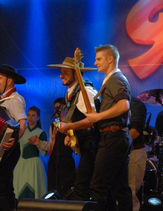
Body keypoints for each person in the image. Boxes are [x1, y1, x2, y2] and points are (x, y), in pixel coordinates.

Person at [66, 44, 132, 211]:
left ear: (110, 59)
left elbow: (124, 105)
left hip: (113, 137)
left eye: (98, 59)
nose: (95, 63)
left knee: (98, 185)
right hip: (117, 136)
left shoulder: (116, 78)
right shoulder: (111, 79)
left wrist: (98, 116)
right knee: (120, 187)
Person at [48, 57, 98, 201]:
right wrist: (72, 134)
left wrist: (70, 126)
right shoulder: (73, 92)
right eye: (61, 72)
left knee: (82, 188)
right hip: (86, 146)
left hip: (93, 146)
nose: (60, 75)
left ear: (76, 74)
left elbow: (92, 120)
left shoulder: (85, 91)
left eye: (65, 72)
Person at [0, 64, 27, 210]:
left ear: (9, 81)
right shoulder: (1, 100)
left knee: (2, 184)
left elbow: (23, 123)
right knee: (1, 184)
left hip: (9, 148)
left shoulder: (15, 100)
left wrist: (15, 141)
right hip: (2, 148)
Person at [30, 98, 75, 197]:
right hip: (54, 161)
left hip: (66, 160)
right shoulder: (54, 125)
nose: (57, 110)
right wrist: (39, 143)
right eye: (55, 108)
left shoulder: (71, 123)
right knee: (52, 189)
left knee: (66, 189)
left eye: (59, 107)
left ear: (66, 107)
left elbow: (75, 145)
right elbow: (52, 145)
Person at [14, 106, 47, 201]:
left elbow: (44, 153)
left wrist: (37, 143)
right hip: (21, 165)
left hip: (34, 166)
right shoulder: (22, 131)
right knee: (19, 189)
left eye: (33, 115)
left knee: (34, 189)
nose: (30, 118)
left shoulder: (41, 132)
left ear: (38, 118)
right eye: (28, 115)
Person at [128, 97, 147, 211]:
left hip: (133, 152)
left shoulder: (136, 105)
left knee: (131, 192)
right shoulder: (109, 105)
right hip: (119, 152)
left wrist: (117, 146)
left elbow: (135, 131)